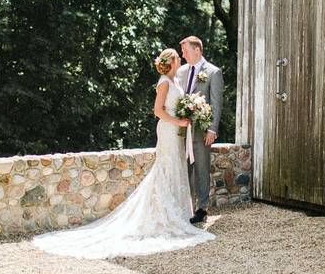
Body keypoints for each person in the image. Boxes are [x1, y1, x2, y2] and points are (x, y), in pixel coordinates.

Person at [30, 48, 215, 258]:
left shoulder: (176, 81)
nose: (180, 59)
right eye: (177, 58)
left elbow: (178, 105)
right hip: (168, 129)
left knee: (176, 168)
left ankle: (179, 214)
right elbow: (157, 111)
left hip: (179, 132)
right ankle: (163, 215)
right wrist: (177, 121)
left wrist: (189, 114)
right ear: (171, 62)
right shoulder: (164, 81)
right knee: (166, 167)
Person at [176, 35, 223, 225]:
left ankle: (202, 208)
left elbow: (217, 104)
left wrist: (212, 130)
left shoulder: (213, 72)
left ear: (197, 50)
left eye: (185, 51)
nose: (183, 54)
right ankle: (185, 205)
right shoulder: (181, 72)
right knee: (184, 168)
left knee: (201, 169)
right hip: (181, 130)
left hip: (201, 131)